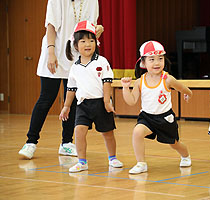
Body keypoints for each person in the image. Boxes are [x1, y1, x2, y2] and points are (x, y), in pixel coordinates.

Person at [18, 0, 104, 159]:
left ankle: (66, 143)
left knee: (71, 99)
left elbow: (90, 28)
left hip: (76, 55)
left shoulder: (92, 1)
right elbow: (51, 26)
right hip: (55, 52)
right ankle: (31, 142)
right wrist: (51, 53)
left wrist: (97, 29)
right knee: (46, 98)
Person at [59, 20, 123, 173]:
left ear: (96, 42)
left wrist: (107, 101)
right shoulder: (74, 67)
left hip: (100, 104)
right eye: (83, 41)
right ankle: (82, 162)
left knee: (107, 133)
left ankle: (112, 158)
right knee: (79, 131)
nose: (88, 44)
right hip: (83, 105)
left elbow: (107, 82)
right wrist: (66, 106)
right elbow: (71, 89)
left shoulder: (101, 62)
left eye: (91, 40)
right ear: (75, 45)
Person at [121, 40, 193, 174]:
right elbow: (131, 101)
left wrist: (188, 94)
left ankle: (185, 155)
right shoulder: (139, 81)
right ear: (143, 63)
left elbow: (183, 88)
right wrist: (125, 88)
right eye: (152, 59)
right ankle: (141, 163)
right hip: (147, 118)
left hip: (165, 118)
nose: (157, 63)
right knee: (137, 132)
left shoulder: (168, 79)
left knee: (174, 144)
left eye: (160, 59)